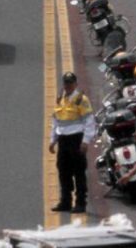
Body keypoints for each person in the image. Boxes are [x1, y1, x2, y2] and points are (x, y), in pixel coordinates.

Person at [49, 71, 96, 214]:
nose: (68, 86)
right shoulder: (61, 99)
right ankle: (65, 201)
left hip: (77, 139)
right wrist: (53, 140)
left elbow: (89, 121)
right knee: (63, 171)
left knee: (78, 172)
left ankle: (81, 202)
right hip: (63, 140)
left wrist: (86, 141)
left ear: (75, 84)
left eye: (70, 83)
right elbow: (56, 122)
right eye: (66, 83)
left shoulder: (81, 99)